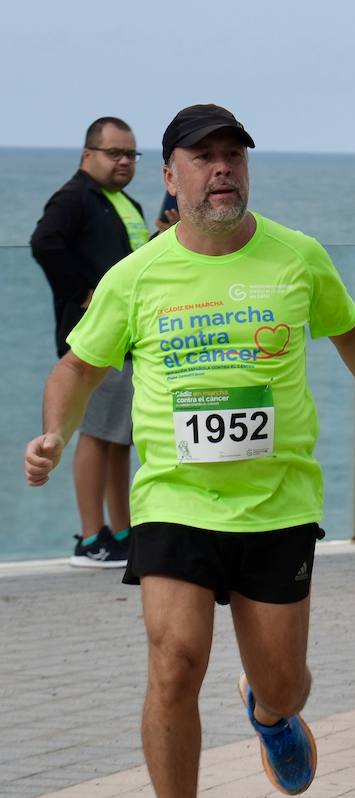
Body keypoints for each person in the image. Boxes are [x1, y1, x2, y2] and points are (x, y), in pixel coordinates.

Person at [23, 104, 355, 798]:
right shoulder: (137, 275)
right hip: (174, 503)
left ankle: (270, 714)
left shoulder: (296, 257)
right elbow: (76, 369)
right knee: (174, 662)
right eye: (205, 157)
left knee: (284, 683)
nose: (223, 169)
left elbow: (354, 335)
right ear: (171, 175)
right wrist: (52, 435)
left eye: (234, 157)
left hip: (276, 504)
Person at [30, 116, 150, 568]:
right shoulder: (75, 197)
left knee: (120, 439)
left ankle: (121, 531)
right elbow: (45, 242)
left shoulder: (121, 202)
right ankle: (90, 536)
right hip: (91, 342)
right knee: (96, 437)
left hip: (126, 341)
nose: (124, 161)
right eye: (114, 153)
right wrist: (83, 292)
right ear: (88, 156)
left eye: (131, 154)